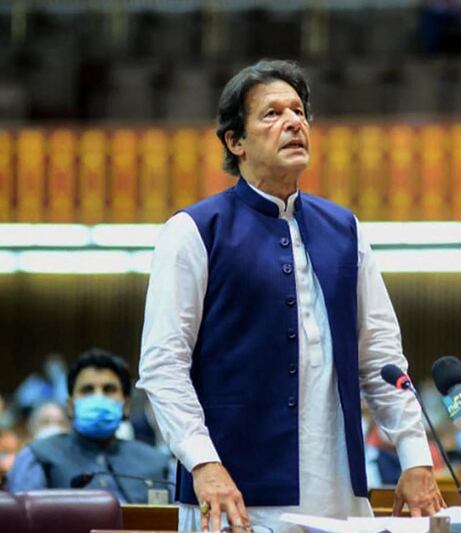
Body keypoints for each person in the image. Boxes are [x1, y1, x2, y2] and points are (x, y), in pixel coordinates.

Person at [137, 58, 443, 533]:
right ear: (235, 141)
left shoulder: (346, 230)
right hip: (234, 493)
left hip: (339, 491)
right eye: (272, 114)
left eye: (299, 112)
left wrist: (415, 457)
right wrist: (203, 464)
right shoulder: (193, 232)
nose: (294, 122)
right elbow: (162, 367)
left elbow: (381, 358)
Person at [6, 349, 172, 503]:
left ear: (126, 406)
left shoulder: (159, 464)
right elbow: (24, 520)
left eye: (109, 389)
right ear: (70, 405)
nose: (98, 397)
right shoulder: (37, 457)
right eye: (87, 390)